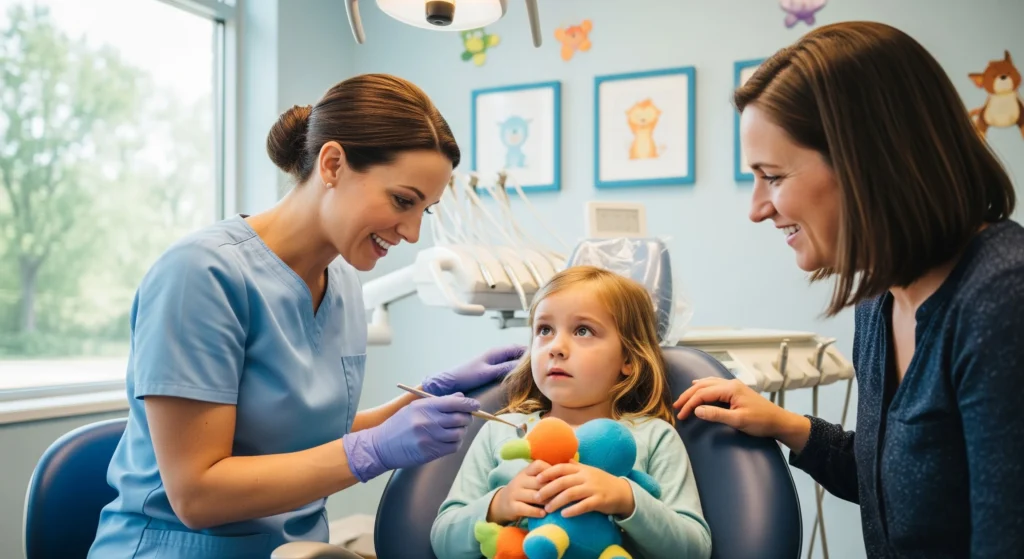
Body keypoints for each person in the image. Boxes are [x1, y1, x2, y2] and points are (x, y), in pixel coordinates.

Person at [88, 73, 524, 558]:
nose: (412, 231)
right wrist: (375, 450)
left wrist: (427, 400)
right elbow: (197, 494)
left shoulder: (341, 284)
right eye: (403, 201)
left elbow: (301, 435)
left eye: (426, 210)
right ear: (333, 163)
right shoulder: (201, 274)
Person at [673, 21, 1024, 558]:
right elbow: (903, 489)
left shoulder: (1002, 301)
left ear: (864, 161)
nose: (757, 208)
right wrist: (784, 424)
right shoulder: (880, 300)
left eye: (773, 176)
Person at [431, 266, 712, 559]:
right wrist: (497, 506)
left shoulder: (654, 437)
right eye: (544, 330)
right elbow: (442, 541)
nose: (556, 347)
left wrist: (627, 500)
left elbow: (695, 549)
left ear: (628, 358)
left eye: (583, 330)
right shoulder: (501, 431)